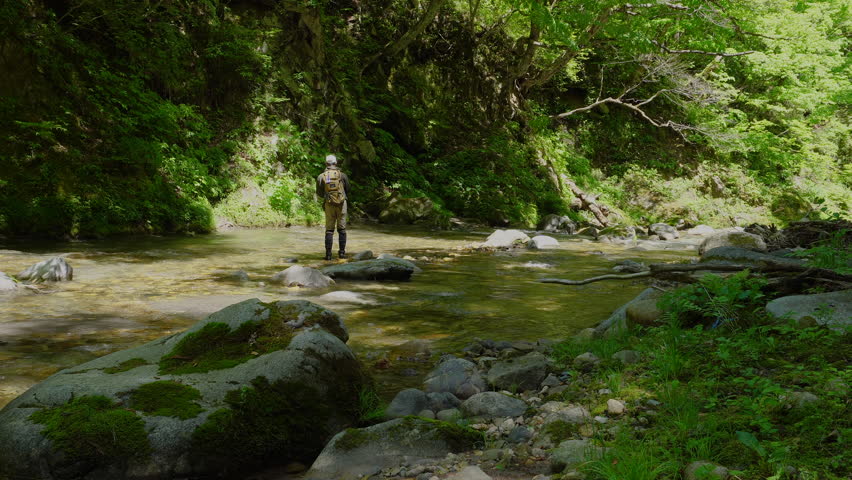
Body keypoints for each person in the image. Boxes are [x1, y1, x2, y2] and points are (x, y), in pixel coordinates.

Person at [316, 154, 350, 260]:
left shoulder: (321, 176)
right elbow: (348, 189)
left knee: (329, 230)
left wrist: (328, 197)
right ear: (336, 163)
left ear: (326, 164)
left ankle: (328, 255)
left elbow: (319, 192)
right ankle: (342, 253)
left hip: (329, 204)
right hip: (341, 204)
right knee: (342, 229)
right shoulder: (342, 175)